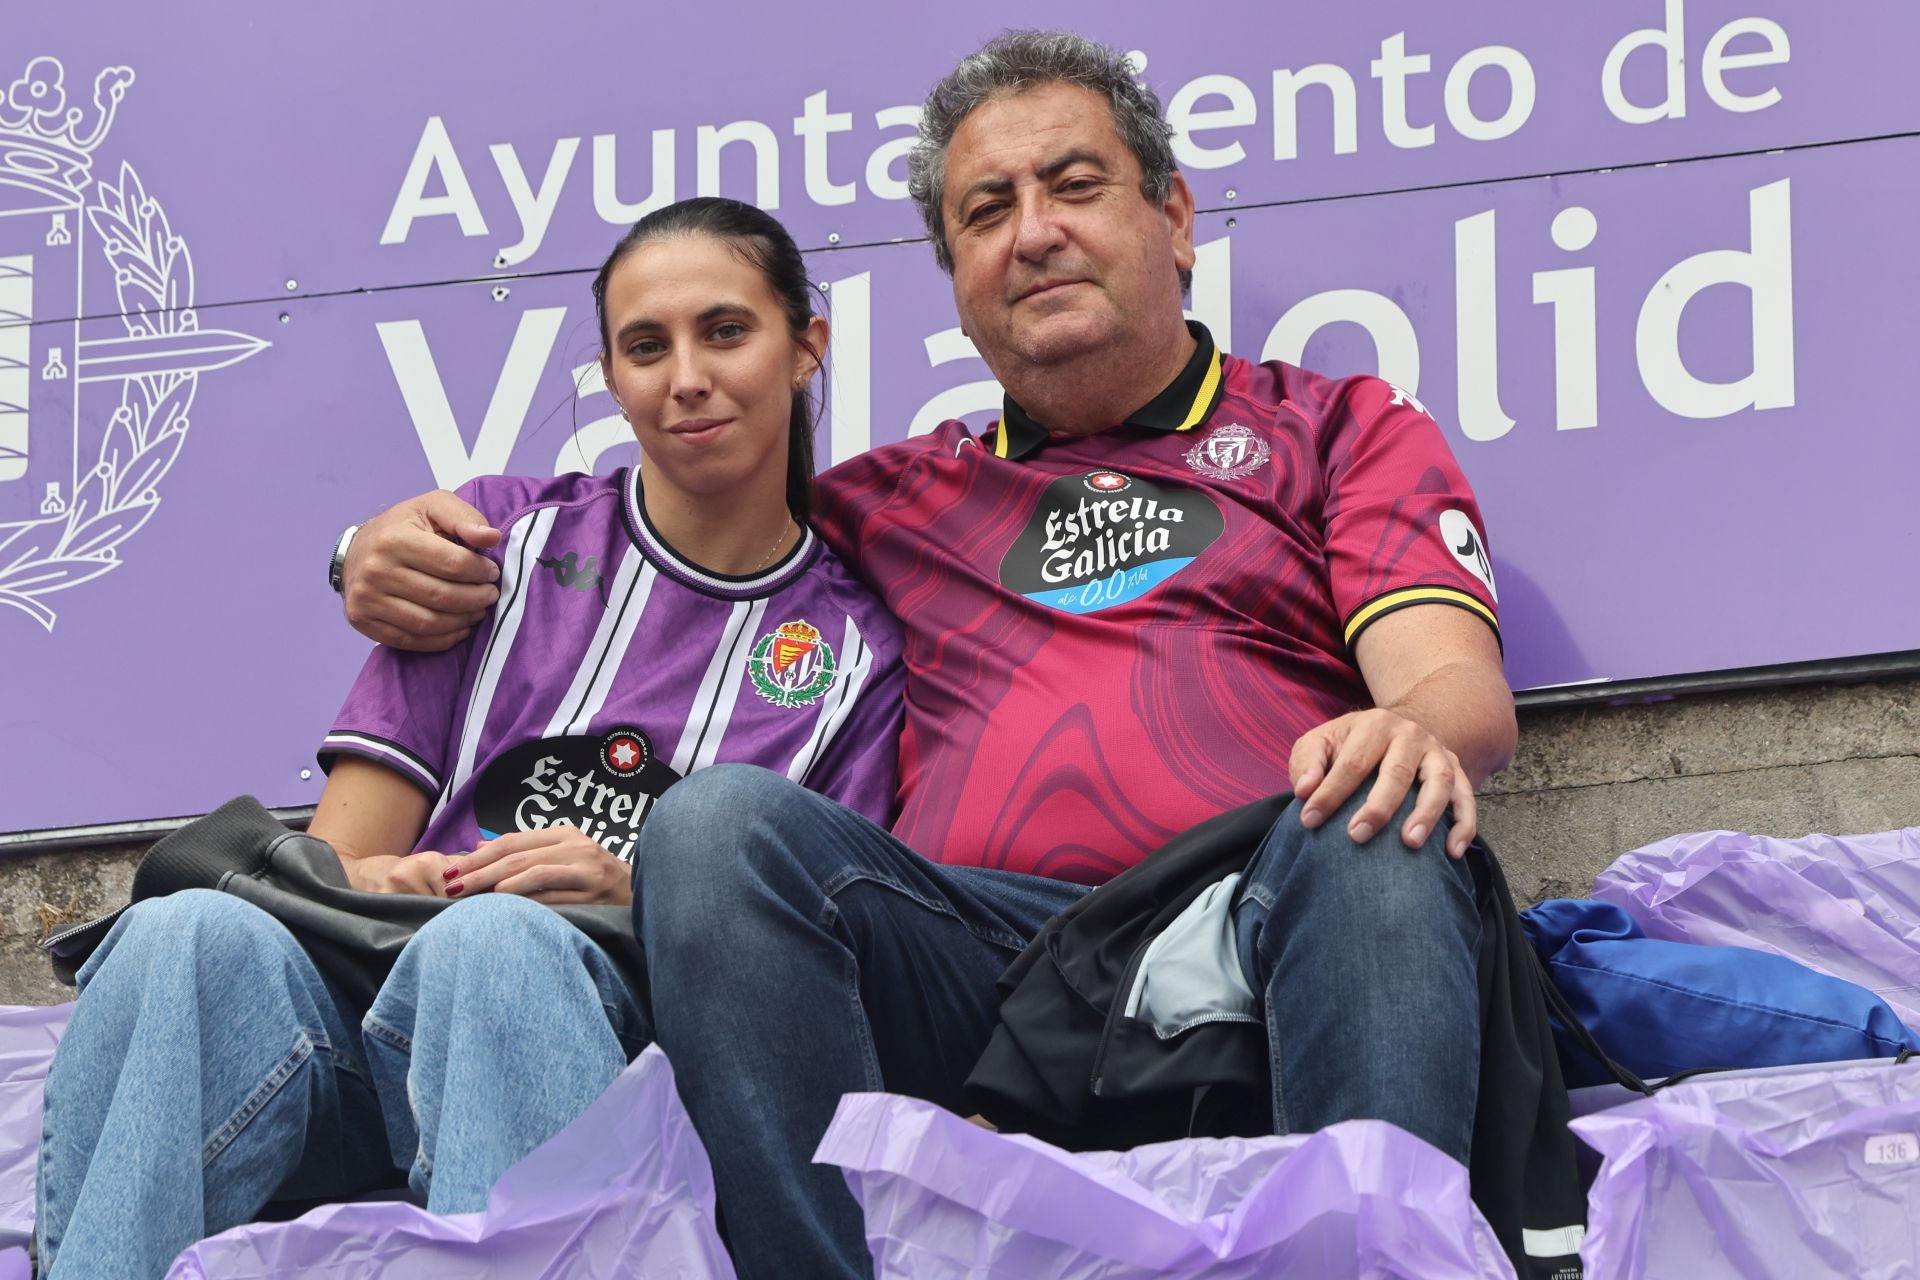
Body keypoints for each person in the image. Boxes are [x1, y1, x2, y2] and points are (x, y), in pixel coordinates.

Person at [339, 31, 1517, 1280]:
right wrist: (368, 542)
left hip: (1263, 905)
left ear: (1173, 216)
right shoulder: (896, 495)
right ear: (956, 275)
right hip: (984, 959)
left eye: (1074, 185)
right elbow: (653, 511)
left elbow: (1455, 692)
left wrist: (1412, 727)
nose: (1036, 232)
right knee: (715, 824)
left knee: (1381, 808)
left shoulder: (1335, 425)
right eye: (986, 212)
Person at [35, 197, 905, 1278]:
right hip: (368, 1019)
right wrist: (380, 876)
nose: (686, 376)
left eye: (725, 330)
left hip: (623, 1057)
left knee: (498, 946)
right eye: (646, 346)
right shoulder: (496, 541)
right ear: (610, 372)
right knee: (185, 934)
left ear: (806, 345)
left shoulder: (861, 648)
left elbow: (812, 973)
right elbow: (339, 864)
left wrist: (637, 890)